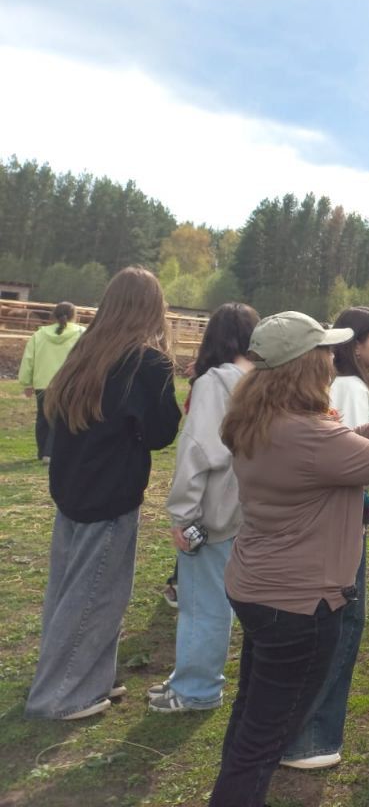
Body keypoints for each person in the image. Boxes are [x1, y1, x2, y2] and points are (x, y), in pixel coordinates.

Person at [209, 311, 369, 806]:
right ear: (303, 365)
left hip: (259, 587)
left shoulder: (261, 417)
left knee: (252, 717)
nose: (332, 359)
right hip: (299, 605)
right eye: (324, 352)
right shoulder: (307, 432)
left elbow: (341, 449)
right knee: (266, 737)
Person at [25, 268, 181, 721]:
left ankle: (90, 680)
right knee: (96, 595)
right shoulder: (146, 361)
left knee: (68, 591)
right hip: (110, 492)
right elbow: (161, 432)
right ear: (152, 308)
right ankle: (61, 697)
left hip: (72, 487)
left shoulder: (86, 349)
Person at [279, 305, 369, 770]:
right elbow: (355, 460)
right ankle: (310, 738)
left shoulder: (347, 385)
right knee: (342, 622)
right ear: (355, 345)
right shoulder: (350, 387)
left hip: (326, 521)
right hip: (338, 524)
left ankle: (301, 732)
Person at [149, 302, 259, 715]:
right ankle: (193, 678)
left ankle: (197, 689)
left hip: (215, 513)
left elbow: (197, 451)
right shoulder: (264, 381)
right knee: (223, 602)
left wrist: (184, 515)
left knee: (203, 604)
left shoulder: (215, 384)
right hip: (252, 509)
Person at [19, 301, 85, 464]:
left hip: (43, 382)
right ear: (74, 316)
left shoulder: (39, 335)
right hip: (69, 383)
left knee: (43, 417)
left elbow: (29, 359)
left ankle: (43, 451)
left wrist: (27, 382)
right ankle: (51, 452)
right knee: (62, 418)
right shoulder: (81, 334)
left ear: (53, 315)